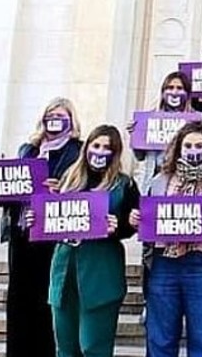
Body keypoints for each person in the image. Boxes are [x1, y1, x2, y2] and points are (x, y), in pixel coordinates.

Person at [0, 98, 83, 357]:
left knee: (45, 300)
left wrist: (61, 191)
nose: (54, 119)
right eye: (50, 114)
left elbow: (83, 192)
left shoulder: (76, 152)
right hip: (21, 236)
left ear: (71, 120)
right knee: (19, 300)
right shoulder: (28, 150)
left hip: (51, 238)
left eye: (60, 115)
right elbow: (12, 192)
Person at [131, 121, 202, 357]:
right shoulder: (160, 180)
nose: (193, 149)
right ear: (179, 148)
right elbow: (149, 217)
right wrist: (137, 218)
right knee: (160, 336)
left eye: (199, 145)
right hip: (164, 262)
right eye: (188, 145)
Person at [48, 125, 140, 357]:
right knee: (65, 346)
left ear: (115, 152)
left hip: (101, 271)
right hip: (65, 268)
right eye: (95, 145)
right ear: (86, 147)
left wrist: (118, 226)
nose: (99, 152)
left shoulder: (124, 185)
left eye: (106, 147)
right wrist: (36, 217)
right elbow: (50, 218)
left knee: (93, 346)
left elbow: (133, 223)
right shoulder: (68, 179)